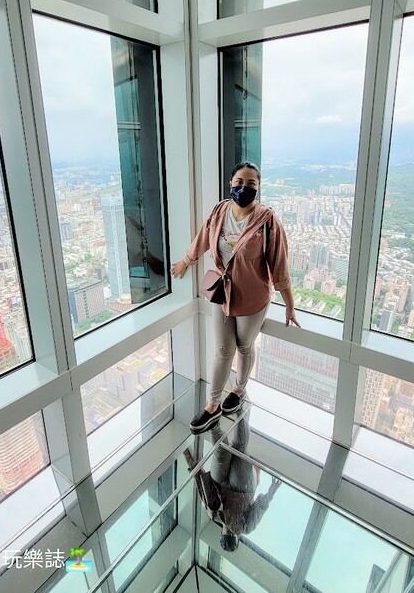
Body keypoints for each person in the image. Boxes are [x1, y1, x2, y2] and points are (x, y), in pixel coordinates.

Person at [170, 161, 300, 434]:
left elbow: (279, 265)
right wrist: (185, 261)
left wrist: (289, 304)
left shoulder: (267, 221)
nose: (244, 188)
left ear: (259, 188)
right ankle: (212, 405)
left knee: (244, 345)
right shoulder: (220, 211)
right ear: (231, 184)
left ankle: (238, 390)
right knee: (222, 350)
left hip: (253, 297)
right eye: (239, 182)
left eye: (251, 184)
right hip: (222, 293)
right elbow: (204, 237)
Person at [184, 413, 281, 551]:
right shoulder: (245, 528)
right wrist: (271, 493)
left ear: (221, 533)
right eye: (231, 536)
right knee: (238, 448)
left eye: (226, 534)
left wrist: (190, 462)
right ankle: (239, 409)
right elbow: (259, 508)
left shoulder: (215, 516)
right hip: (242, 489)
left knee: (222, 451)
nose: (229, 532)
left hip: (222, 484)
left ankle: (214, 424)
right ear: (237, 537)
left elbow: (203, 490)